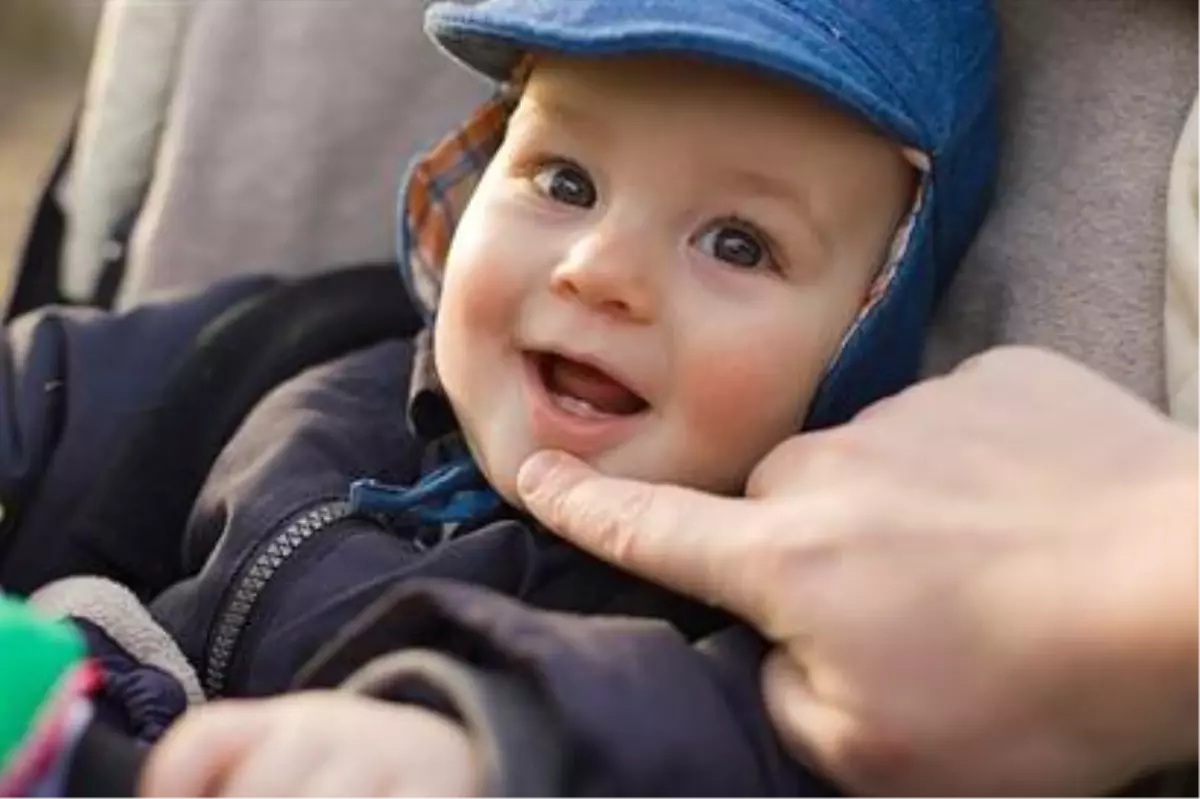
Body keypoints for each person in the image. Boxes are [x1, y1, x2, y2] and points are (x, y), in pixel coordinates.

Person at [1, 0, 998, 797]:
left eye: (737, 242)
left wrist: (473, 749)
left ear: (865, 329)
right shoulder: (308, 349)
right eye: (564, 181)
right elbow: (54, 391)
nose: (599, 269)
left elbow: (722, 744)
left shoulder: (766, 609)